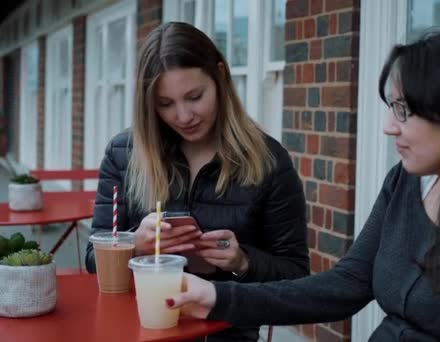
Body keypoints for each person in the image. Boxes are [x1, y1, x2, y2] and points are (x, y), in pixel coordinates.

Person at [164, 31, 440, 341]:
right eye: (390, 108)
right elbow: (347, 285)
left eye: (405, 110)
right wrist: (219, 297)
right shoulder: (407, 183)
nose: (388, 126)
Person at [85, 22, 310, 341]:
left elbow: (296, 276)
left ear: (220, 76)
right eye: (165, 104)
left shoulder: (268, 160)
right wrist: (133, 244)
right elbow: (93, 259)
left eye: (194, 96)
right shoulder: (124, 154)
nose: (183, 116)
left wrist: (243, 261)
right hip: (138, 330)